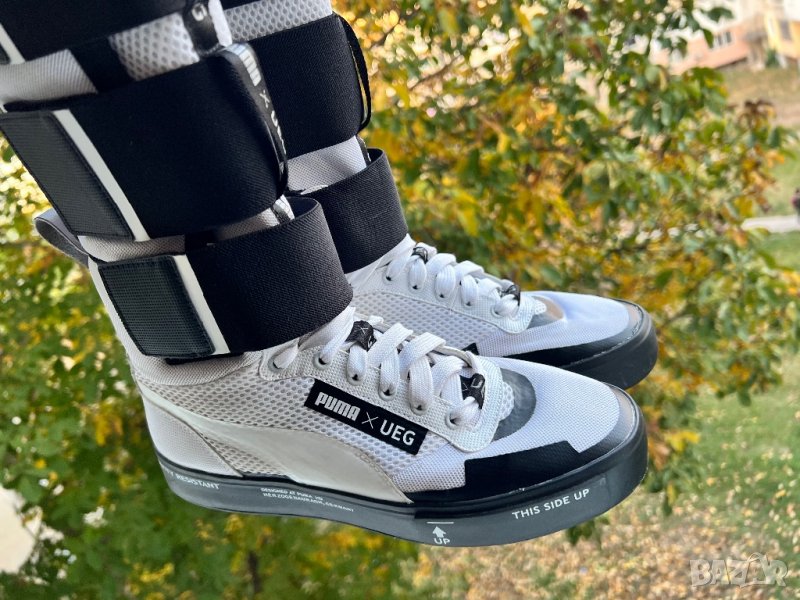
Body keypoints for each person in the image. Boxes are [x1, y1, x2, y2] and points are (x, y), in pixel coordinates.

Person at [0, 0, 654, 546]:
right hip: (232, 356)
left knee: (255, 13)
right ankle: (230, 375)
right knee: (123, 29)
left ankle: (358, 274)